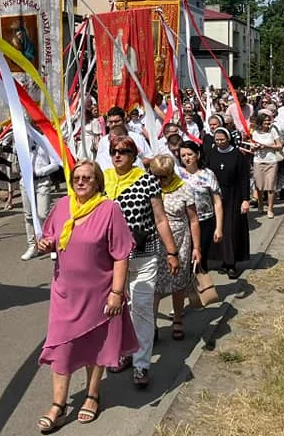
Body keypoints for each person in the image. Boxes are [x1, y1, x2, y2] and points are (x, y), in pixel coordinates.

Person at [35, 161, 139, 431]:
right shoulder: (61, 207)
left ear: (97, 183)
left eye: (87, 178)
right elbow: (49, 240)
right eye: (77, 178)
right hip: (64, 292)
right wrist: (44, 245)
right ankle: (58, 404)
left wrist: (117, 292)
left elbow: (120, 255)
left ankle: (92, 395)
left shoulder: (109, 210)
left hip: (99, 292)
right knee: (60, 345)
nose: (81, 182)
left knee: (95, 346)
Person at [104, 134, 179, 389]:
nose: (117, 155)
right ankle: (124, 351)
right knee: (118, 309)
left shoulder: (147, 181)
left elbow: (160, 219)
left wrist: (172, 252)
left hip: (144, 255)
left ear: (134, 156)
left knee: (143, 308)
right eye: (114, 150)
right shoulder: (103, 180)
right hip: (112, 259)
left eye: (123, 151)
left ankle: (141, 364)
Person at [150, 155, 201, 341]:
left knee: (177, 282)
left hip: (180, 241)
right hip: (155, 242)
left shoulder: (184, 188)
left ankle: (178, 319)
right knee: (153, 284)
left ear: (171, 173)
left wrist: (197, 247)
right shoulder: (149, 188)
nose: (159, 181)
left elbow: (194, 220)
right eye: (155, 176)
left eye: (163, 177)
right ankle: (151, 324)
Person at [205, 128, 251, 278]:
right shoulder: (212, 154)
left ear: (228, 139)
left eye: (222, 140)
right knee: (218, 228)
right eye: (217, 140)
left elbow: (244, 178)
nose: (219, 143)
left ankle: (232, 263)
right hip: (216, 195)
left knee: (231, 229)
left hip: (234, 195)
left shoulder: (238, 155)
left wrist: (245, 199)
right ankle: (222, 260)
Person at [179, 141, 223, 275]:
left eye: (190, 154)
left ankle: (203, 290)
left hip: (205, 221)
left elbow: (217, 202)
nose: (187, 158)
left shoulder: (208, 174)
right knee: (184, 257)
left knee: (200, 256)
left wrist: (219, 227)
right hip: (183, 222)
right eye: (183, 155)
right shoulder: (177, 174)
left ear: (197, 155)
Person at [20, 131, 62, 261]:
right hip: (26, 182)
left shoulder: (45, 140)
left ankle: (50, 243)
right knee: (28, 215)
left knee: (43, 214)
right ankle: (32, 246)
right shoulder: (20, 139)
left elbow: (56, 163)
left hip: (42, 181)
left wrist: (39, 171)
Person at [250, 111, 283, 219]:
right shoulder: (255, 132)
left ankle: (270, 209)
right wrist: (255, 148)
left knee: (271, 186)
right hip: (258, 161)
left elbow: (279, 145)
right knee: (259, 186)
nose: (268, 124)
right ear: (260, 123)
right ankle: (260, 204)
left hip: (271, 161)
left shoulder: (273, 130)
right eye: (266, 122)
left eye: (269, 122)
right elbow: (251, 147)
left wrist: (267, 146)